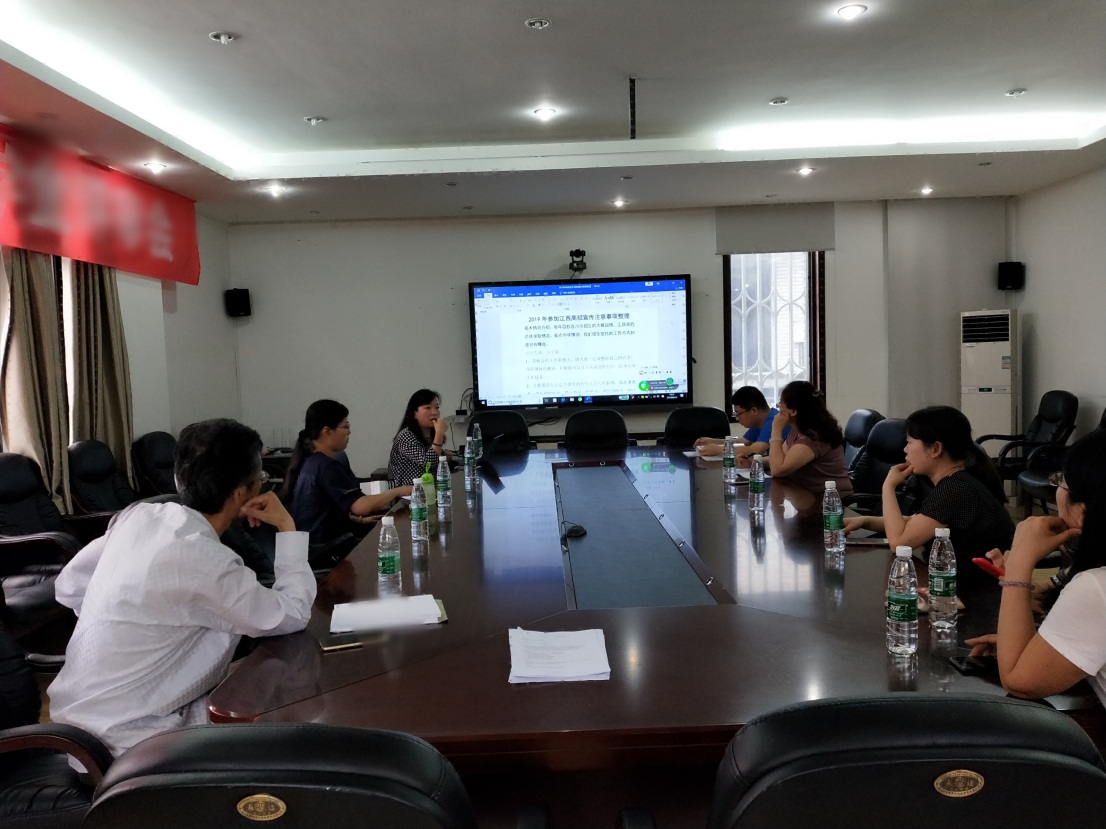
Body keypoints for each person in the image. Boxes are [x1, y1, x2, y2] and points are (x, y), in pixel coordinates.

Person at [48, 419, 317, 757]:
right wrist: (287, 527)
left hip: (77, 728)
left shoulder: (139, 517)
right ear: (241, 493)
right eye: (260, 479)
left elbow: (69, 587)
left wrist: (131, 620)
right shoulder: (206, 560)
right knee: (288, 716)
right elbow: (293, 613)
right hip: (130, 743)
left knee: (258, 681)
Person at [966, 430, 1106, 705]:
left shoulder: (1095, 586)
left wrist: (1020, 562)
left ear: (1083, 512)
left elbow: (1020, 682)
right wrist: (1047, 650)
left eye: (1061, 482)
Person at [843, 405, 1014, 589]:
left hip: (977, 593)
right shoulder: (958, 481)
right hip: (965, 584)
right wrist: (865, 521)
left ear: (935, 449)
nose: (905, 450)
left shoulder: (955, 489)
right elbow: (915, 523)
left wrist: (888, 487)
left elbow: (899, 543)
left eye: (909, 442)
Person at [283, 399, 408, 546]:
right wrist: (399, 491)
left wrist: (358, 521)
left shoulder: (309, 460)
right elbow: (361, 506)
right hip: (326, 549)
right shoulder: (326, 466)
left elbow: (322, 511)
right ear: (327, 431)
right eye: (346, 426)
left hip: (314, 544)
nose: (349, 432)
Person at [765, 380, 852, 495]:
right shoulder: (798, 430)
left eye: (780, 403)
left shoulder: (813, 437)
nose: (778, 407)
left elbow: (777, 469)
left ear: (793, 411)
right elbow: (781, 458)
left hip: (831, 501)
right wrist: (752, 462)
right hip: (806, 495)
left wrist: (776, 430)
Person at [694, 386, 790, 460]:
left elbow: (755, 450)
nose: (737, 418)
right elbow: (742, 442)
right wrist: (713, 441)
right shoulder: (759, 422)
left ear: (754, 411)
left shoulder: (774, 420)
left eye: (738, 414)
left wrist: (718, 450)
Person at [388, 388, 450, 486]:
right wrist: (439, 434)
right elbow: (429, 463)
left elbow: (432, 457)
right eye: (428, 408)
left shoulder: (430, 434)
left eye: (437, 407)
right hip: (409, 492)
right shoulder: (406, 435)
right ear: (414, 413)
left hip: (430, 489)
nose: (434, 412)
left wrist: (443, 454)